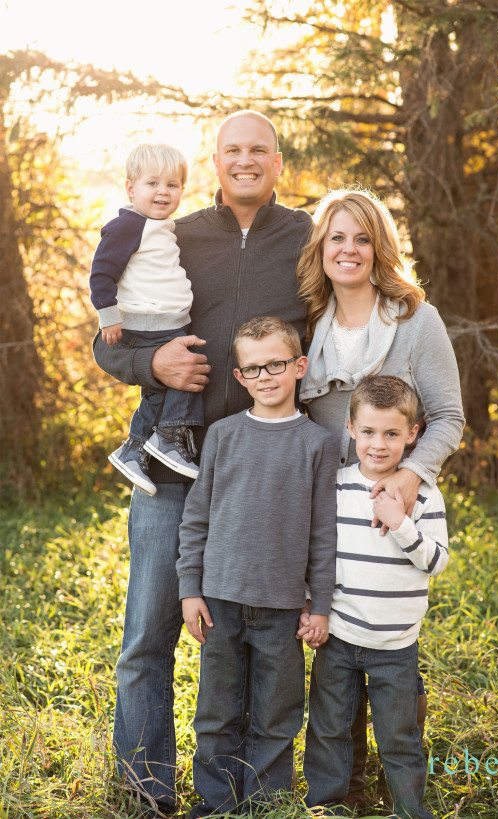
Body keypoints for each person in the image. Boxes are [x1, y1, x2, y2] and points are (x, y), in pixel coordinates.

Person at [93, 110, 312, 814]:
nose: (245, 161)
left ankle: (246, 789)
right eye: (232, 151)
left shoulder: (304, 237)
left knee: (252, 635)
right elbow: (107, 340)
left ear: (278, 162)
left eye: (260, 151)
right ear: (214, 165)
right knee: (148, 631)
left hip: (262, 469)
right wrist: (148, 361)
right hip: (174, 460)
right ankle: (146, 786)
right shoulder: (171, 235)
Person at [295, 187, 464, 810]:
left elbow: (448, 415)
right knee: (334, 659)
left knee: (390, 649)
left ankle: (399, 773)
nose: (349, 249)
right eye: (336, 237)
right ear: (322, 247)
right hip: (326, 506)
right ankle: (339, 788)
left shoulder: (417, 321)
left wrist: (410, 476)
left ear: (380, 248)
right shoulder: (308, 325)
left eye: (362, 238)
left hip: (394, 502)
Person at [176, 316, 339, 816]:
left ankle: (266, 805)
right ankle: (215, 805)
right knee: (217, 712)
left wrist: (321, 604)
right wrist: (189, 589)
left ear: (298, 366)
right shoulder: (223, 436)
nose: (265, 375)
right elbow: (196, 517)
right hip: (220, 600)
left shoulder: (318, 444)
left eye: (276, 364)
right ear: (240, 376)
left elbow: (324, 533)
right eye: (253, 368)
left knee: (277, 714)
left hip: (283, 610)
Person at [301, 374, 448, 819]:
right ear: (349, 428)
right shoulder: (335, 485)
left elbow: (436, 561)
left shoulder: (423, 495)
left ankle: (405, 807)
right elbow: (318, 551)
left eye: (391, 434)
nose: (378, 445)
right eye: (368, 432)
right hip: (340, 634)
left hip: (395, 645)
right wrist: (311, 605)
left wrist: (400, 524)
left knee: (398, 733)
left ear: (413, 434)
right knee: (330, 728)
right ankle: (333, 802)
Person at [92, 143, 202, 493]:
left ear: (183, 191)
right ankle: (168, 437)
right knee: (189, 373)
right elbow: (101, 273)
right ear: (131, 188)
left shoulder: (162, 226)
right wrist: (109, 317)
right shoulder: (128, 225)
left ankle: (136, 448)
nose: (162, 192)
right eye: (152, 183)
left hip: (169, 323)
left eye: (172, 185)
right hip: (146, 326)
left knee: (159, 392)